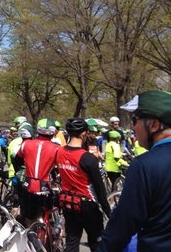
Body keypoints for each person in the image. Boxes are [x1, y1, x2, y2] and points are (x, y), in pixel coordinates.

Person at [99, 90, 171, 252]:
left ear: (153, 125)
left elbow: (122, 226)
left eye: (134, 120)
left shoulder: (144, 165)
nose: (133, 127)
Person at [56, 118, 111, 252]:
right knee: (96, 242)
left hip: (68, 202)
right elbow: (99, 187)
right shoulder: (87, 157)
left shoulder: (59, 152)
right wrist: (107, 210)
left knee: (72, 242)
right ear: (83, 134)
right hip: (88, 205)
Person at [14, 118, 60, 226]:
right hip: (45, 186)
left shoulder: (26, 144)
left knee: (29, 217)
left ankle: (31, 236)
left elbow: (17, 161)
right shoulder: (57, 148)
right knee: (48, 213)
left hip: (28, 185)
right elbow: (59, 168)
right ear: (53, 133)